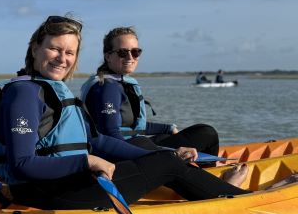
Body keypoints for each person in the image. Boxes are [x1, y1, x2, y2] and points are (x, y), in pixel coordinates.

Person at [0, 15, 249, 210]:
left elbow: (98, 140)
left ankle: (216, 191)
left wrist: (164, 151)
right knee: (167, 164)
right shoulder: (24, 93)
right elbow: (22, 164)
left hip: (68, 182)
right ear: (35, 49)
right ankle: (238, 201)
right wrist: (87, 161)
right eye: (54, 48)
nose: (61, 58)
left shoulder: (51, 89)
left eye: (69, 52)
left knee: (166, 160)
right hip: (44, 192)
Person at [80, 26, 220, 156]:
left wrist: (168, 128)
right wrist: (166, 153)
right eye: (123, 52)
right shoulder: (107, 87)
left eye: (135, 52)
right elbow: (110, 134)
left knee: (201, 131)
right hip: (126, 151)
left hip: (136, 142)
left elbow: (132, 127)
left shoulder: (121, 83)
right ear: (108, 56)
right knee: (208, 134)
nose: (130, 57)